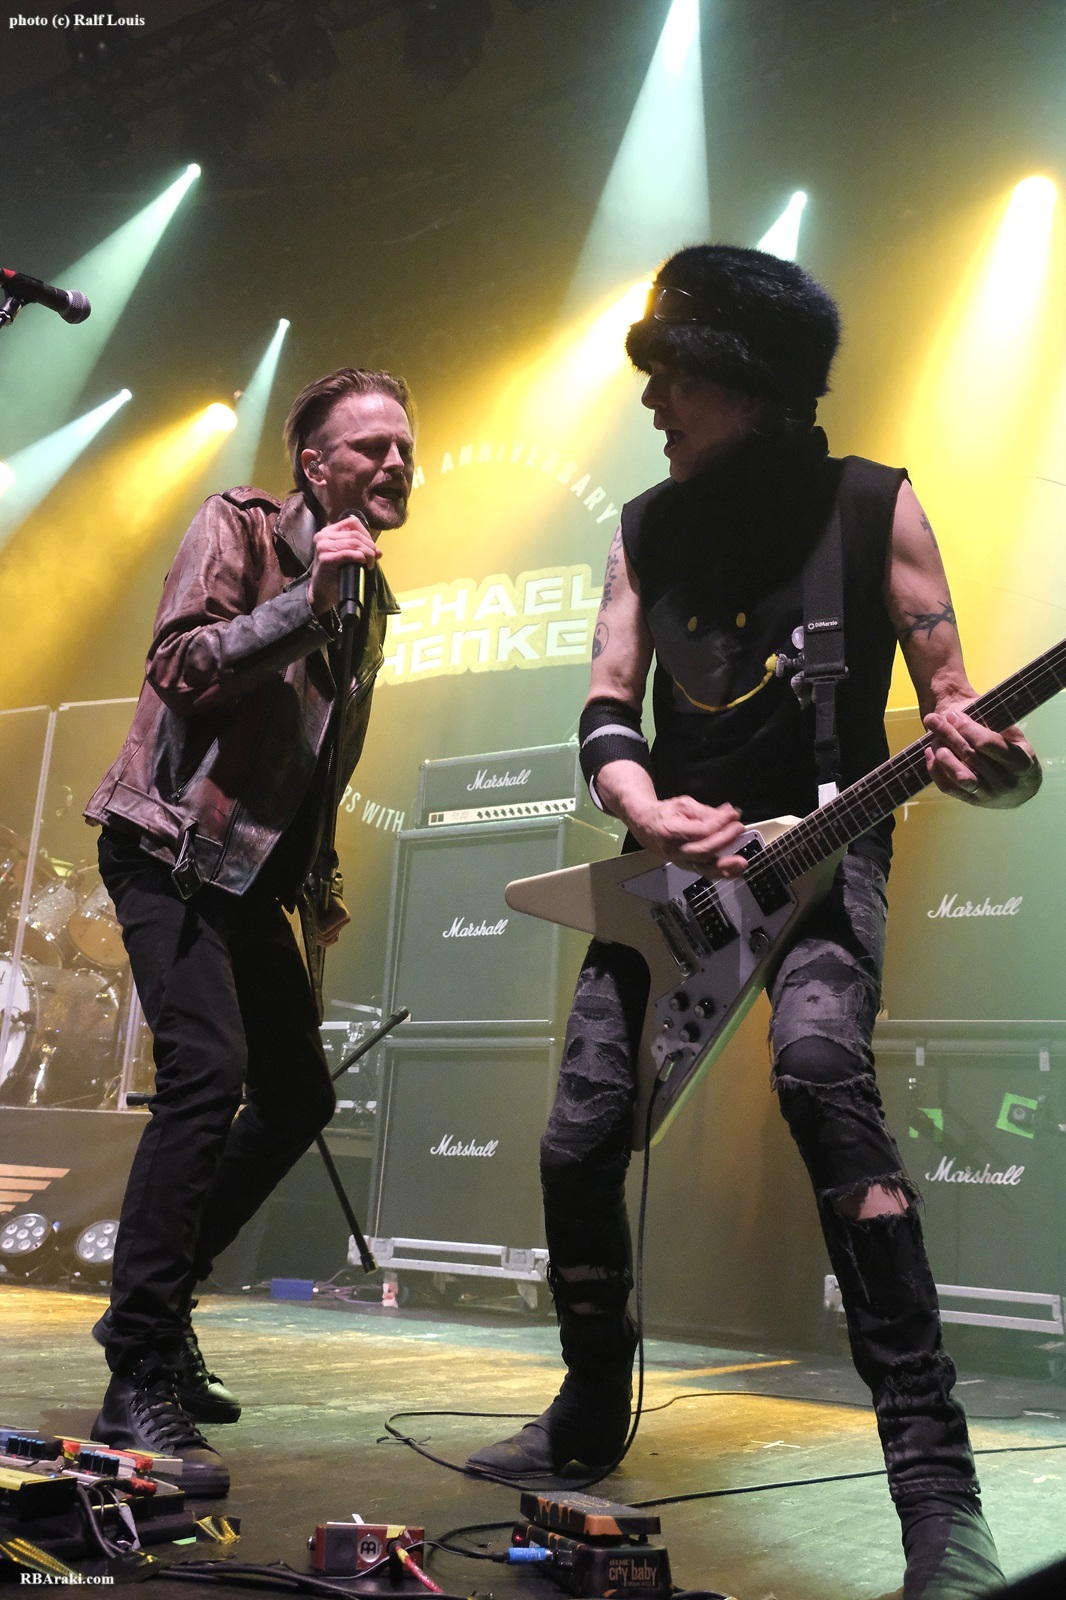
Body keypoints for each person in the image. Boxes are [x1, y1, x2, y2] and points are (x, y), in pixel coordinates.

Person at [467, 247, 1040, 1598]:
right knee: (576, 1139)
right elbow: (607, 705)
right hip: (666, 875)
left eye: (674, 374)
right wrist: (643, 804)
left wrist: (993, 764)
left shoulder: (873, 505)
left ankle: (937, 1495)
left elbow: (965, 724)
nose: (651, 400)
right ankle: (589, 1405)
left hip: (825, 858)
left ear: (750, 381)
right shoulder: (644, 527)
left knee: (820, 1075)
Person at [83, 367, 415, 1495]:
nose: (395, 463)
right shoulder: (241, 526)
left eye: (404, 449)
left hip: (251, 878)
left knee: (298, 1096)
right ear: (313, 466)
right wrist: (305, 603)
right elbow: (180, 665)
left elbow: (315, 762)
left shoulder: (373, 598)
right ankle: (136, 1365)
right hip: (167, 846)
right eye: (369, 447)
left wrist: (318, 876)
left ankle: (164, 1304)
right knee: (205, 1077)